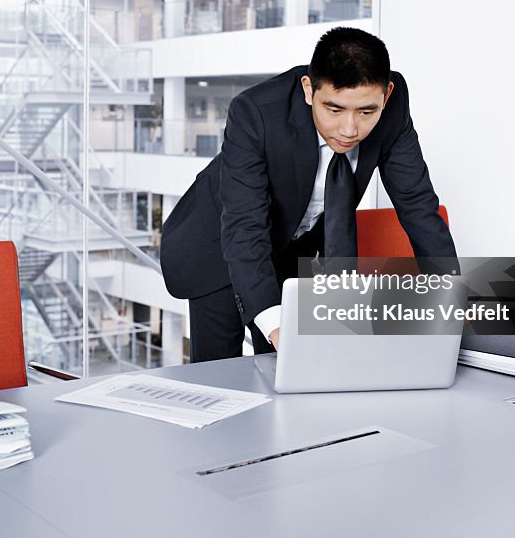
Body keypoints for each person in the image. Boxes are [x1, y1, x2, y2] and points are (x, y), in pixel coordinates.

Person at [160, 26, 456, 362]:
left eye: (366, 112)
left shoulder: (394, 105)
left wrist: (453, 302)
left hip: (290, 247)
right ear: (308, 90)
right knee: (220, 377)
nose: (349, 130)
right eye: (334, 110)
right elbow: (244, 226)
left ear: (385, 95)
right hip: (217, 245)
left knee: (290, 372)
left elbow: (417, 206)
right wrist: (274, 325)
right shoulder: (255, 112)